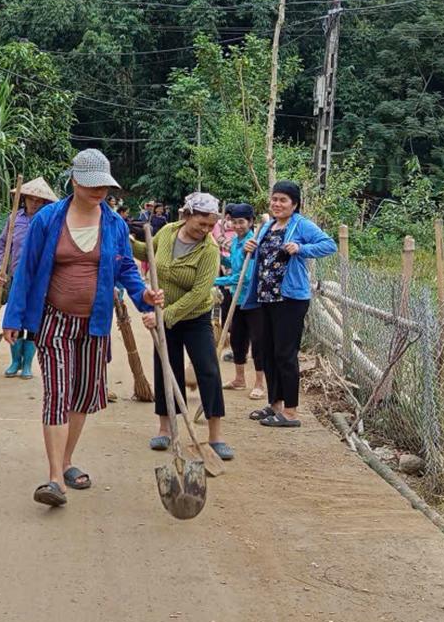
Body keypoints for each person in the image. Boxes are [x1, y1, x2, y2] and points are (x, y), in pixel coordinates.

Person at [3, 149, 164, 507]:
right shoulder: (48, 220)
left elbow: (125, 269)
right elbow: (27, 269)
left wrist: (144, 296)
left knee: (82, 395)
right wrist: (13, 317)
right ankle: (54, 478)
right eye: (92, 185)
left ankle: (66, 461)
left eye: (104, 186)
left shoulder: (115, 224)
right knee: (57, 393)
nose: (99, 192)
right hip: (54, 320)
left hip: (95, 323)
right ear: (74, 181)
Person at [134, 192, 233, 461]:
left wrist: (165, 315)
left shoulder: (209, 249)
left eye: (210, 225)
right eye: (201, 223)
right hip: (163, 312)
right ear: (187, 215)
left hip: (194, 317)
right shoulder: (167, 232)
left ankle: (216, 436)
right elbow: (147, 251)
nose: (206, 230)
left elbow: (199, 293)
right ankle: (165, 428)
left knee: (208, 370)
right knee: (166, 368)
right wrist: (128, 240)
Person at [240, 181, 337, 428]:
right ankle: (274, 405)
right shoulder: (267, 226)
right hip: (265, 297)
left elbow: (329, 245)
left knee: (285, 354)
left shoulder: (301, 225)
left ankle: (291, 412)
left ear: (294, 204)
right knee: (269, 352)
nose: (277, 204)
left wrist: (301, 248)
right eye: (274, 199)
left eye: (283, 200)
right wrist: (249, 247)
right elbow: (260, 256)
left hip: (290, 299)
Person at [0, 177, 58, 379]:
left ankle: (27, 364)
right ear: (24, 199)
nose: (34, 203)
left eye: (38, 200)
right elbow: (3, 245)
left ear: (44, 202)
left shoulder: (47, 222)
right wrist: (1, 269)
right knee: (15, 317)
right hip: (16, 276)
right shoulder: (14, 219)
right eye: (31, 199)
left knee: (33, 319)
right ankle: (15, 361)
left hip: (40, 279)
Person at [215, 204, 265, 399]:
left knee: (258, 341)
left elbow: (244, 276)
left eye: (241, 222)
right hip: (236, 298)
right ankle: (239, 379)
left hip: (252, 300)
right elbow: (235, 265)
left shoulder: (253, 243)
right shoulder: (236, 241)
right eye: (234, 222)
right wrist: (218, 257)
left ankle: (259, 384)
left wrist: (216, 281)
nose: (237, 226)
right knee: (237, 338)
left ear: (250, 222)